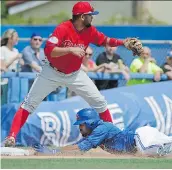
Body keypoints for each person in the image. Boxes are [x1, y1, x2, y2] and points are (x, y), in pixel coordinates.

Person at [4, 1, 138, 147]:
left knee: (100, 102)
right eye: (90, 15)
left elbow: (105, 40)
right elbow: (49, 50)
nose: (92, 17)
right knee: (29, 104)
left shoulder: (90, 30)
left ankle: (111, 138)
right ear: (81, 17)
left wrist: (123, 42)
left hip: (75, 74)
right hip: (51, 72)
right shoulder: (63, 28)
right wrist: (70, 50)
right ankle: (11, 137)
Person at [33, 108, 172, 158]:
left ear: (88, 122)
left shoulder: (101, 128)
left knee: (146, 151)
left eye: (80, 125)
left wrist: (55, 151)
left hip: (142, 139)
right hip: (146, 139)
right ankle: (166, 147)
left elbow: (81, 148)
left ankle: (163, 147)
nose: (79, 128)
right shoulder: (97, 131)